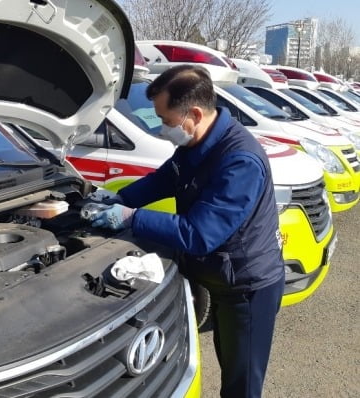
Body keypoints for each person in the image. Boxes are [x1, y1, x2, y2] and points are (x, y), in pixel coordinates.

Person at [90, 64, 285, 398]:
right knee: (227, 361)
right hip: (221, 277)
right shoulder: (197, 142)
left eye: (166, 121)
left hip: (248, 287)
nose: (164, 129)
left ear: (194, 113)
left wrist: (131, 217)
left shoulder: (239, 160)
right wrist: (120, 197)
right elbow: (165, 178)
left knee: (242, 385)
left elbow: (199, 233)